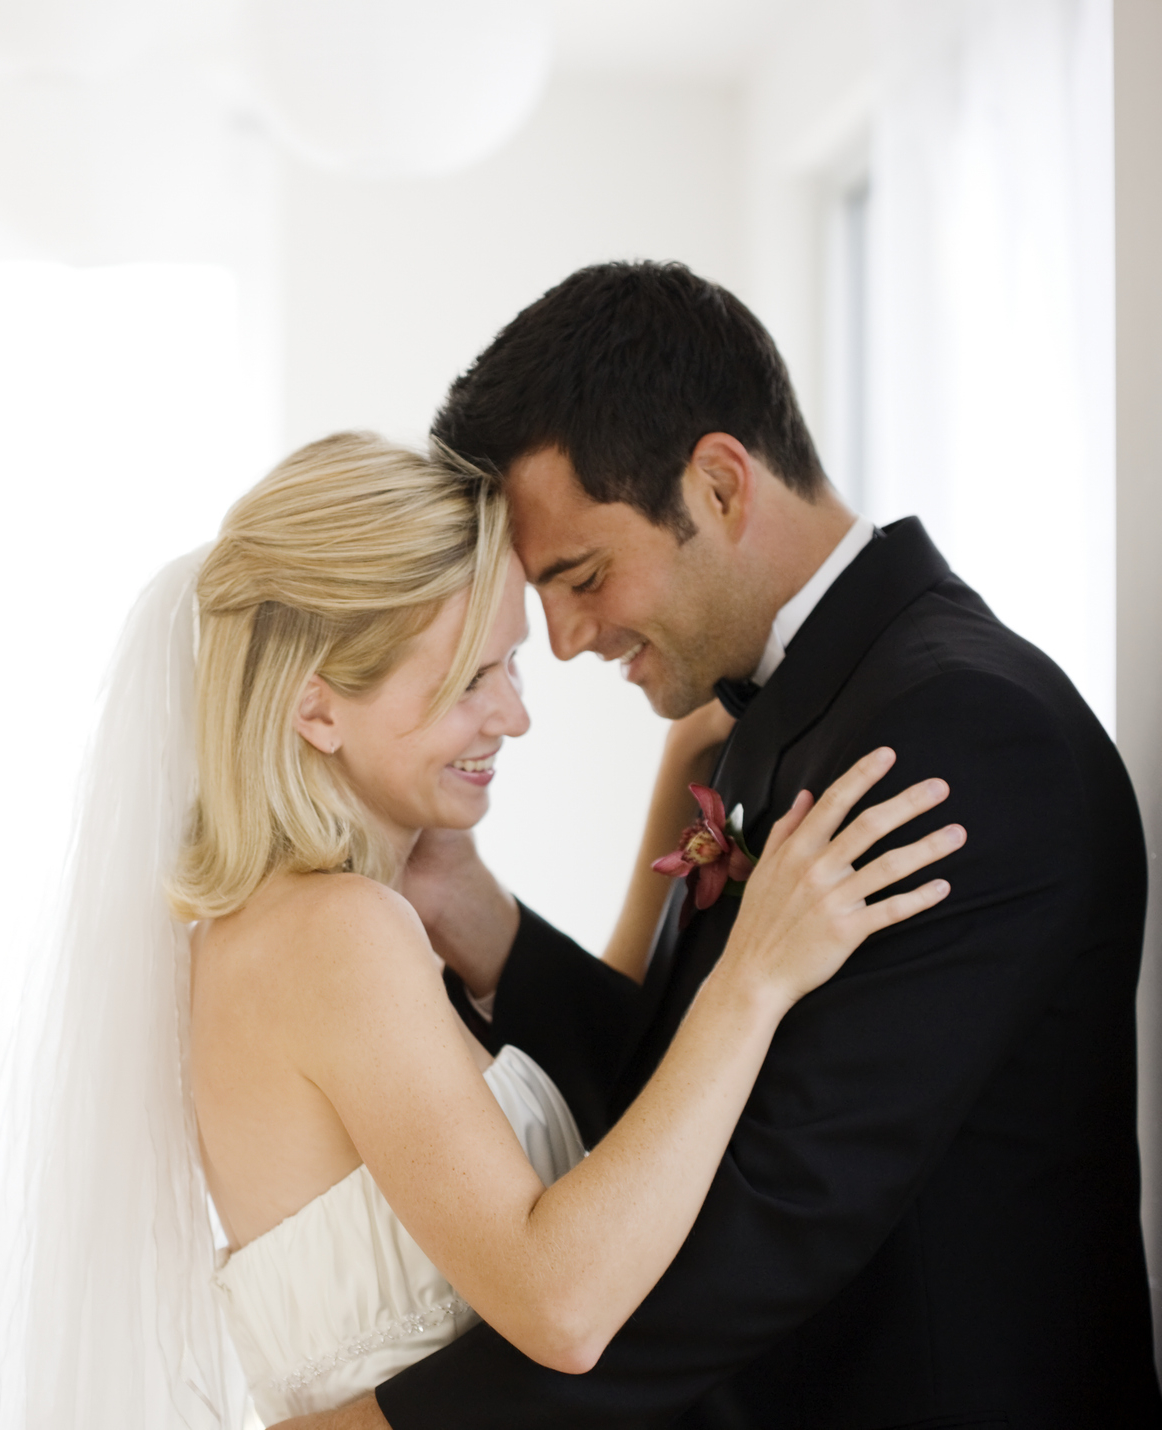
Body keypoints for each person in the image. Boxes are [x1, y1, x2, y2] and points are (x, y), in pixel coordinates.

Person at [0, 430, 961, 1429]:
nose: (514, 715)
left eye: (510, 665)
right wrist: (752, 977)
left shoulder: (270, 927)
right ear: (316, 710)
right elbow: (559, 1300)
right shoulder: (339, 933)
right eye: (470, 679)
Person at [302, 261, 1160, 1429]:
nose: (563, 639)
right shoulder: (784, 711)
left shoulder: (958, 730)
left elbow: (773, 1204)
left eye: (580, 576)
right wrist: (476, 916)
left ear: (716, 484)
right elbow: (681, 1105)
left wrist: (385, 1424)